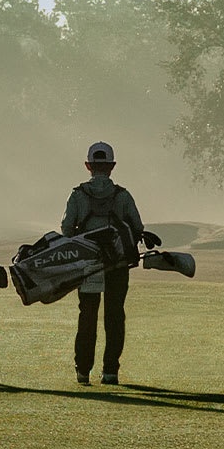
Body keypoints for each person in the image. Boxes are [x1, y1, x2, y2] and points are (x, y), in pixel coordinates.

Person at [60, 141, 153, 385]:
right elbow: (137, 227)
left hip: (89, 265)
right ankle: (110, 371)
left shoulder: (78, 195)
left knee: (87, 315)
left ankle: (83, 371)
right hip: (118, 265)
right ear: (112, 166)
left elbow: (67, 229)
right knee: (114, 315)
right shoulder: (122, 195)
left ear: (88, 165)